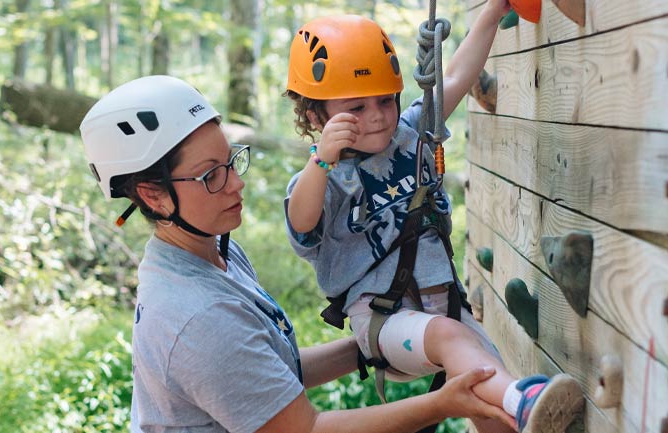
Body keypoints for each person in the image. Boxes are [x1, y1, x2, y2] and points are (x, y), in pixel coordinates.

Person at [79, 75, 517, 433]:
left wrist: (376, 341)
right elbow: (305, 430)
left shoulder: (209, 255)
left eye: (231, 161)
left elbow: (270, 375)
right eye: (211, 175)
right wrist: (441, 404)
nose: (236, 183)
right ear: (153, 196)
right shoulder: (195, 316)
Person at [282, 6, 585, 433]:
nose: (377, 116)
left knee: (488, 393)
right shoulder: (322, 180)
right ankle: (522, 397)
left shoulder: (412, 135)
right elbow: (301, 221)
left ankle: (514, 408)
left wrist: (493, 12)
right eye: (356, 107)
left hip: (447, 308)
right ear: (316, 116)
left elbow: (458, 75)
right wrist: (321, 161)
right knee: (458, 344)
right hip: (385, 320)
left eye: (385, 100)